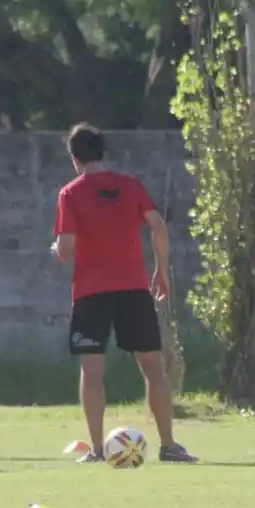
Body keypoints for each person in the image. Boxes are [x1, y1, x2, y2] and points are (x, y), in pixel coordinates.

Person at [50, 123, 198, 464]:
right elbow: (157, 225)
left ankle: (99, 450)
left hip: (91, 292)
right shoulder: (130, 186)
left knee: (92, 370)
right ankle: (169, 444)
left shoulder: (70, 194)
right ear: (102, 152)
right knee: (153, 366)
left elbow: (66, 247)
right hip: (134, 287)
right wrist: (161, 269)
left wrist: (56, 251)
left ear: (74, 158)